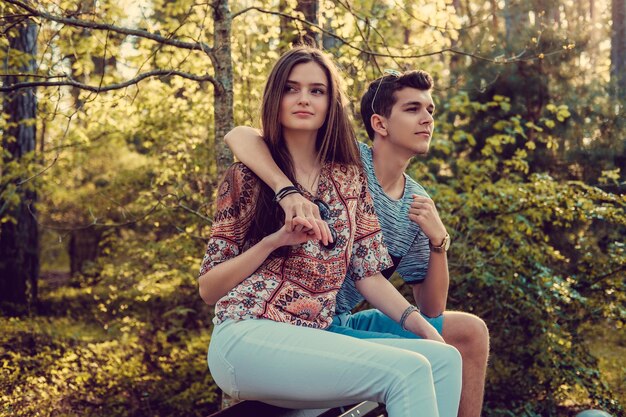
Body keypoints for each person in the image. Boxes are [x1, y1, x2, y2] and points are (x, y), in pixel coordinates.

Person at [199, 46, 462, 417]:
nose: (304, 99)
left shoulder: (349, 178)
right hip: (246, 335)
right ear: (276, 98)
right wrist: (275, 241)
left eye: (317, 90)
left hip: (313, 337)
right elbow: (209, 289)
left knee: (443, 360)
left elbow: (368, 275)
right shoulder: (249, 175)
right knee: (407, 371)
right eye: (291, 89)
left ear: (329, 103)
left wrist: (426, 330)